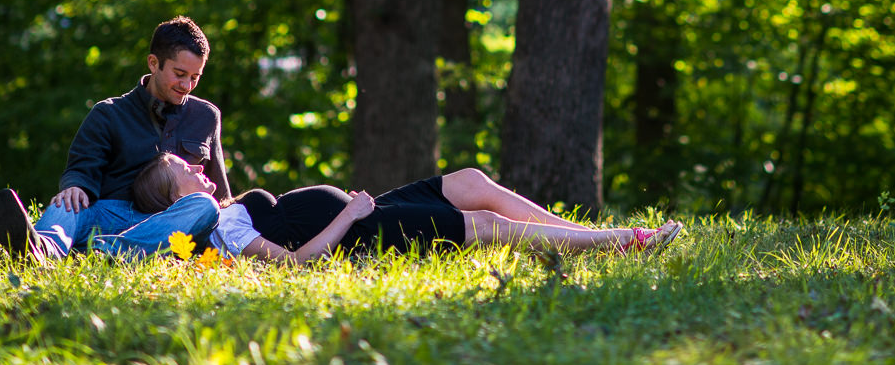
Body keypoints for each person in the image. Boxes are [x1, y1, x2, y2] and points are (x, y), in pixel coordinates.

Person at [130, 152, 683, 264]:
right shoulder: (221, 229)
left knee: (469, 180)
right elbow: (292, 264)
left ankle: (590, 233)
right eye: (188, 171)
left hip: (371, 210)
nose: (200, 169)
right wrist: (346, 215)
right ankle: (624, 242)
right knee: (487, 226)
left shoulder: (226, 209)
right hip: (362, 232)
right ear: (175, 195)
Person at [0, 16, 230, 261]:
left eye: (195, 77)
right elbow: (82, 167)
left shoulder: (206, 116)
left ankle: (108, 252)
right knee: (68, 203)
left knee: (206, 206)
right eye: (179, 74)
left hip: (164, 223)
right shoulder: (109, 112)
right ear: (154, 63)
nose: (187, 84)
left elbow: (220, 193)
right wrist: (75, 187)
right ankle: (41, 250)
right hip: (106, 213)